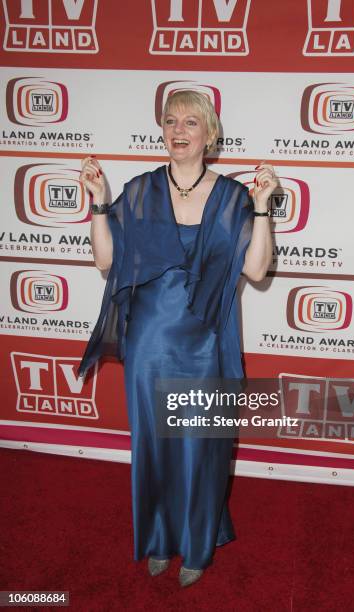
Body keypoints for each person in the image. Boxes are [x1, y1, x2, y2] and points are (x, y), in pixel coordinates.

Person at [78, 91, 276, 587]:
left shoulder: (232, 196)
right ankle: (161, 537)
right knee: (154, 442)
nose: (179, 130)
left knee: (199, 444)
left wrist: (263, 208)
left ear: (209, 134)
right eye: (170, 121)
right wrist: (99, 202)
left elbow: (255, 269)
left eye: (191, 121)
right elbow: (105, 262)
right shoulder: (141, 190)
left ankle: (196, 541)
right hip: (148, 340)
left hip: (206, 340)